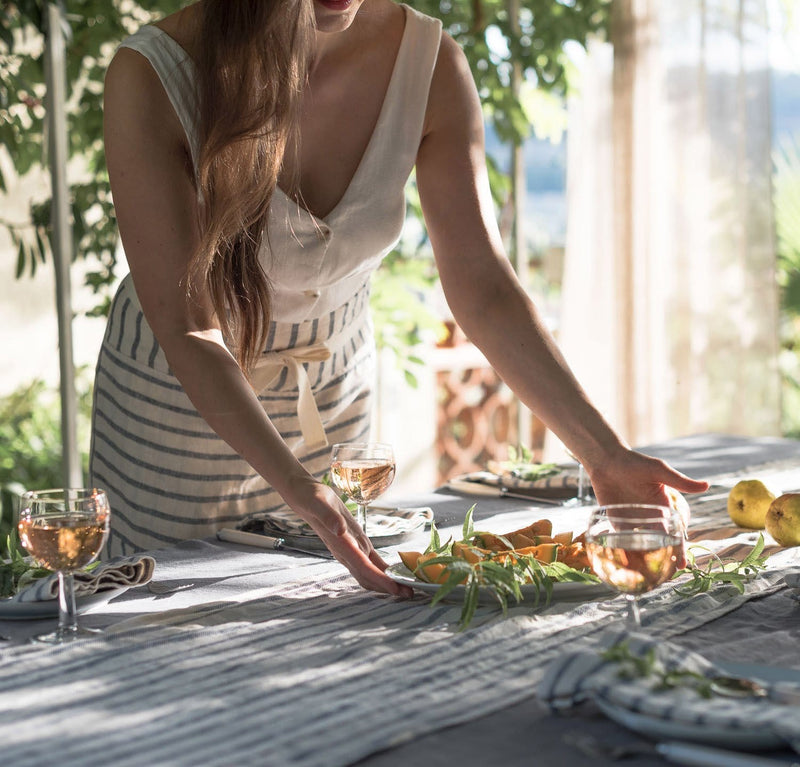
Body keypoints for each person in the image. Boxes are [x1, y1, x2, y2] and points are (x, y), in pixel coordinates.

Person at [90, 0, 708, 595]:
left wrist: (604, 455)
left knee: (325, 618)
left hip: (334, 402)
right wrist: (297, 488)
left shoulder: (428, 64)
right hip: (180, 412)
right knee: (168, 622)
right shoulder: (153, 75)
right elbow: (187, 326)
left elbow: (483, 286)